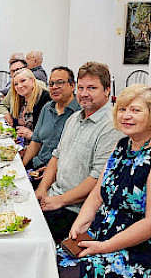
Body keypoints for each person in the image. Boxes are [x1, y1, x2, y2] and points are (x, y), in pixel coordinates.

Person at [58, 84, 151, 278]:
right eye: (122, 109)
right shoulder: (121, 147)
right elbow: (98, 193)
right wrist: (80, 223)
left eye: (136, 110)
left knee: (68, 276)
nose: (126, 115)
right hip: (100, 235)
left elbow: (149, 224)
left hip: (135, 252)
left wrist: (105, 247)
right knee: (50, 261)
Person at [35, 61, 123, 243]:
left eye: (92, 88)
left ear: (107, 90)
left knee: (26, 239)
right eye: (81, 87)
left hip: (75, 210)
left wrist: (61, 200)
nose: (83, 94)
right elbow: (56, 156)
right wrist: (42, 189)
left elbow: (98, 178)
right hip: (53, 196)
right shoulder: (74, 118)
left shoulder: (112, 126)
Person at [22, 66, 80, 188]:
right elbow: (36, 141)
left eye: (60, 83)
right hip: (37, 166)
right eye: (51, 83)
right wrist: (22, 166)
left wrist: (51, 173)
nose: (54, 87)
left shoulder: (79, 113)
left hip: (59, 175)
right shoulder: (47, 108)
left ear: (72, 86)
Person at [6, 68, 51, 144]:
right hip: (21, 144)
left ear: (33, 81)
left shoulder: (45, 99)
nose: (19, 86)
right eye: (16, 84)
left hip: (36, 148)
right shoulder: (21, 98)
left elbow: (49, 135)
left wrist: (32, 135)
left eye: (23, 81)